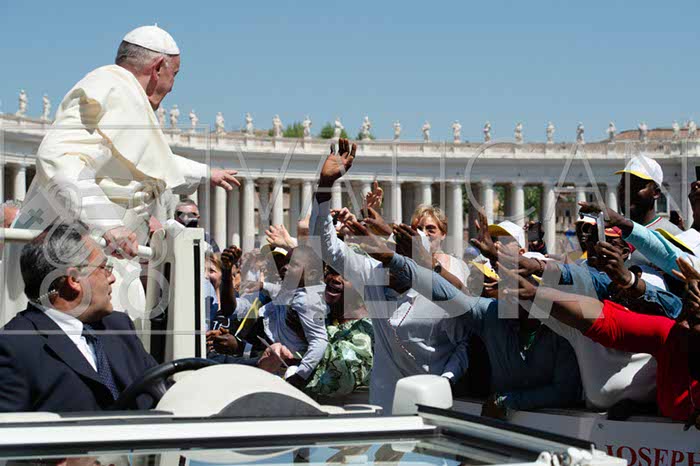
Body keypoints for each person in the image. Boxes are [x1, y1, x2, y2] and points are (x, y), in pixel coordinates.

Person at [2, 25, 238, 323]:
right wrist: (109, 224)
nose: (172, 87)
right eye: (175, 74)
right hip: (77, 260)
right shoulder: (108, 87)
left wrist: (206, 173)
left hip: (107, 256)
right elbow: (58, 159)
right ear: (158, 68)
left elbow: (146, 162)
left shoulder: (125, 95)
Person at [0, 221, 158, 412]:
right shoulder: (14, 347)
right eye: (104, 267)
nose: (112, 278)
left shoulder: (118, 326)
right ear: (74, 279)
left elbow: (161, 388)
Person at [614, 154, 681, 266]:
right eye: (623, 186)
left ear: (656, 193)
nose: (626, 192)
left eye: (636, 186)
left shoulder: (673, 236)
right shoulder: (611, 233)